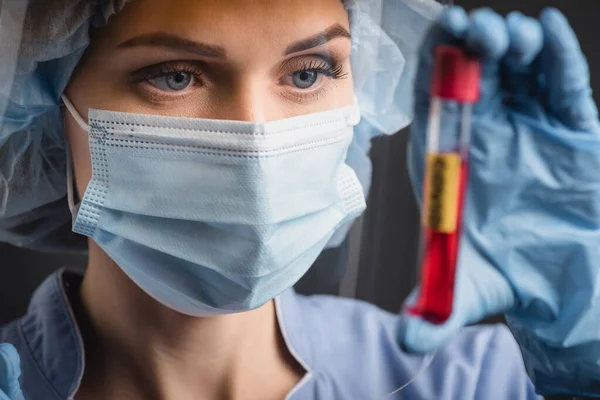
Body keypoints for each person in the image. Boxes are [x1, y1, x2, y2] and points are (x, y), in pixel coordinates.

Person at [1, 0, 600, 399]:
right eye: (175, 75)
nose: (255, 136)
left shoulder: (474, 383)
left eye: (308, 72)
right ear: (46, 103)